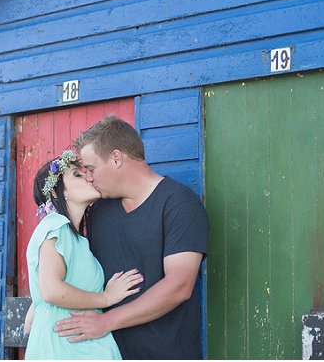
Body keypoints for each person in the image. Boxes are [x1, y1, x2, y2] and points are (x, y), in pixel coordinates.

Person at [54, 116, 209, 359]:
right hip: (106, 353)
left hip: (165, 352)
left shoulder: (179, 203)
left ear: (116, 158)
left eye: (92, 169)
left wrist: (105, 322)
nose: (89, 177)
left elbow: (179, 286)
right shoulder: (99, 210)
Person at [24, 149, 143, 360]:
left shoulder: (76, 238)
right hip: (65, 345)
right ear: (56, 193)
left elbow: (33, 314)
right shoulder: (56, 225)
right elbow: (51, 290)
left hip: (75, 342)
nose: (88, 176)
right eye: (77, 175)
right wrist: (106, 298)